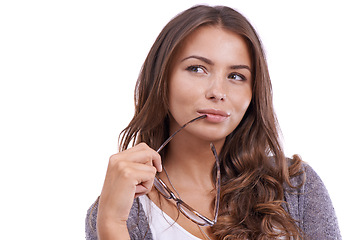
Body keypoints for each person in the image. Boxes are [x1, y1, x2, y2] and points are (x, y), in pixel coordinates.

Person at [85, 5, 341, 240]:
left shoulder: (295, 185)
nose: (218, 91)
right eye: (197, 69)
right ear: (161, 79)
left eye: (236, 76)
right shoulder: (126, 207)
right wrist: (111, 223)